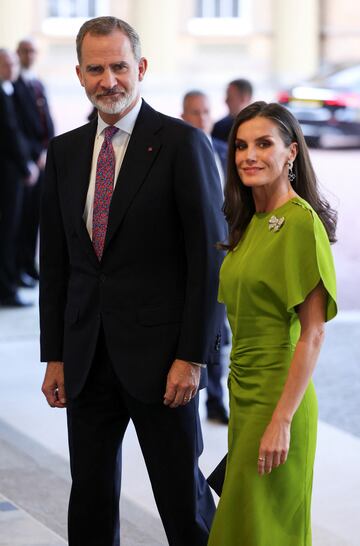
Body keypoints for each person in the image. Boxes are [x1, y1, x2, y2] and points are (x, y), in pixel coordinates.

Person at [39, 16, 226, 546]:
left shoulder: (182, 145)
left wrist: (192, 357)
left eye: (119, 66)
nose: (109, 80)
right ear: (79, 74)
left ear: (141, 68)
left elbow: (207, 265)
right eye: (96, 69)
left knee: (182, 504)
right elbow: (56, 263)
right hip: (86, 359)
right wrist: (55, 353)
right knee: (91, 502)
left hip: (164, 365)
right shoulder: (65, 152)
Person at [208, 101, 337, 546]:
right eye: (241, 146)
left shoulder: (301, 223)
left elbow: (314, 332)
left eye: (264, 144)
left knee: (263, 532)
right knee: (246, 528)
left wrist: (282, 420)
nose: (249, 155)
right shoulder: (251, 222)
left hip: (281, 400)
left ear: (291, 153)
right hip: (244, 393)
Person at [181, 89, 229, 424]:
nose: (202, 118)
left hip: (228, 256)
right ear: (184, 116)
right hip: (193, 260)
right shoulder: (179, 152)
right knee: (200, 326)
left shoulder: (227, 153)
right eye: (195, 112)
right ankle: (196, 399)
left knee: (222, 332)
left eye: (206, 111)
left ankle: (216, 399)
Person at [14, 38, 54, 286]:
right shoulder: (13, 86)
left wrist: (48, 148)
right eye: (26, 51)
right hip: (25, 164)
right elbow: (15, 128)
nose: (30, 55)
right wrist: (33, 154)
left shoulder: (38, 84)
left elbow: (46, 121)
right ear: (19, 54)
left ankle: (30, 264)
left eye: (33, 51)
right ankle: (18, 268)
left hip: (42, 159)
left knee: (34, 219)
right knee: (20, 220)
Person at [0, 48, 37, 308]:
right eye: (6, 63)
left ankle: (11, 279)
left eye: (13, 63)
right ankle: (6, 289)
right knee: (7, 231)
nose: (11, 67)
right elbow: (10, 134)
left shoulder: (10, 90)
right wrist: (26, 166)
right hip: (7, 173)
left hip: (14, 170)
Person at [212, 78, 253, 143]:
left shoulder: (261, 127)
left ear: (243, 99)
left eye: (230, 97)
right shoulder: (219, 127)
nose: (226, 101)